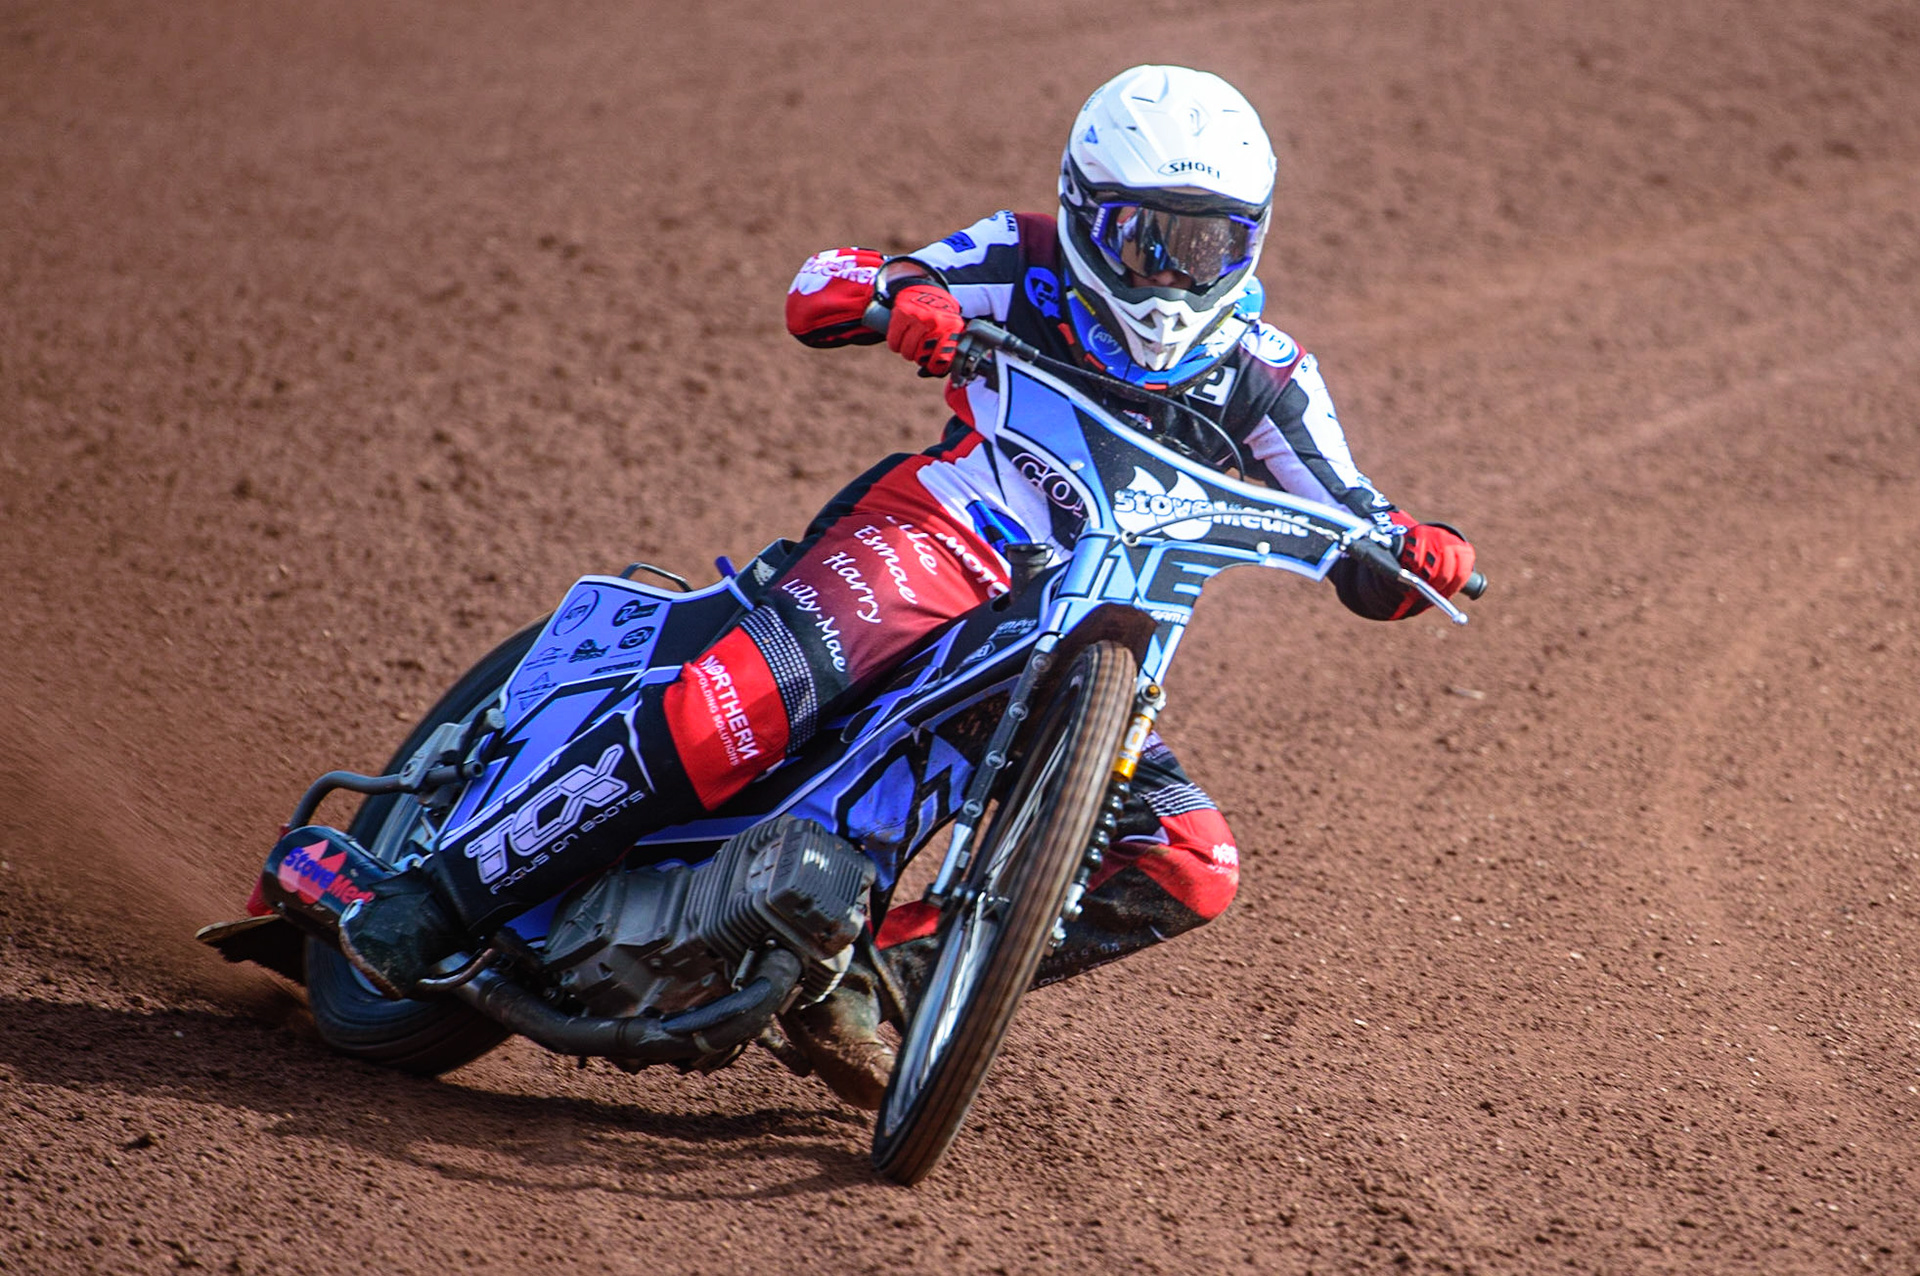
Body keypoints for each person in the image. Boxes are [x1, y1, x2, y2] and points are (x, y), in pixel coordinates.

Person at [334, 64, 1475, 1109]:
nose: (1173, 275)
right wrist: (898, 294)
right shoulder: (1024, 258)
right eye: (1144, 239)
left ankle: (870, 983)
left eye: (1209, 246)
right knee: (732, 710)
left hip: (1098, 636)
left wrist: (1417, 552)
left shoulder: (1269, 375)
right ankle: (443, 893)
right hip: (946, 540)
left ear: (1254, 243)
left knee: (1191, 858)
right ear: (1084, 214)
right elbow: (825, 285)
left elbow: (1357, 525)